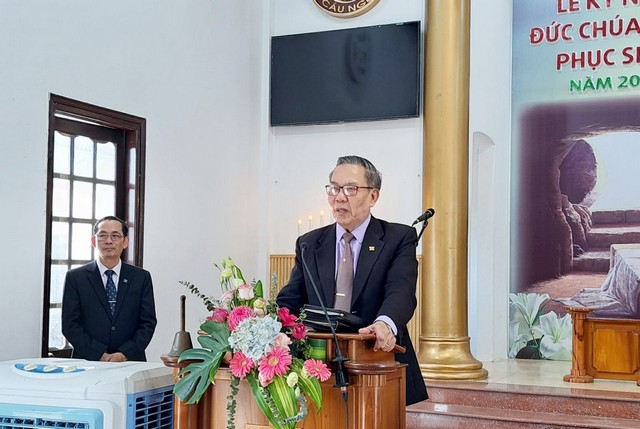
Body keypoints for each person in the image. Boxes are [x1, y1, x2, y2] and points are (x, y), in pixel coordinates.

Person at [277, 155, 428, 405]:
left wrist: (384, 324)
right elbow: (290, 300)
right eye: (334, 188)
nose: (339, 197)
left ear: (373, 196)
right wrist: (264, 326)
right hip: (319, 366)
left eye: (350, 189)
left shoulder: (398, 237)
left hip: (377, 361)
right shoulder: (309, 243)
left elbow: (400, 291)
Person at [62, 215, 157, 362]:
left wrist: (124, 354)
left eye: (115, 236)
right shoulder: (75, 277)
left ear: (125, 242)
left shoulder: (141, 277)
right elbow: (70, 325)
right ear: (94, 241)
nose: (108, 241)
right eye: (102, 235)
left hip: (130, 361)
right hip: (88, 361)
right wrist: (99, 354)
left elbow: (148, 323)